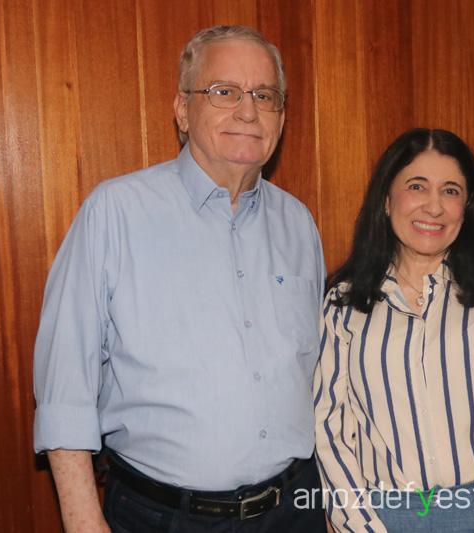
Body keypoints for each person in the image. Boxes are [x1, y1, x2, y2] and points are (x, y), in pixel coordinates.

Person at [33, 25, 327, 532]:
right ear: (183, 111)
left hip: (292, 511)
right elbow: (65, 383)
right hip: (163, 517)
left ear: (281, 117)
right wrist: (84, 522)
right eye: (224, 91)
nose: (248, 111)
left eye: (265, 95)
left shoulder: (298, 222)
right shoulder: (116, 212)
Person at [314, 128, 474, 532]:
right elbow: (330, 428)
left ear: (467, 207)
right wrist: (362, 527)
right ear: (386, 200)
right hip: (386, 517)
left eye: (451, 191)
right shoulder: (344, 303)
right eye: (417, 186)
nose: (434, 206)